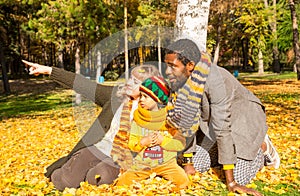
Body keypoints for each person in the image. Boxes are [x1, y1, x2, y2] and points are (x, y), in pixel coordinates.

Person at [163, 39, 280, 196]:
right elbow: (187, 121)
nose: (167, 71)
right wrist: (188, 161)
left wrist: (231, 183)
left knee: (240, 176)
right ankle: (226, 153)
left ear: (190, 65)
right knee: (196, 165)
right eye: (167, 65)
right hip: (211, 123)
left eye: (172, 66)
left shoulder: (216, 81)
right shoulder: (182, 81)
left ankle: (262, 146)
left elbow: (222, 128)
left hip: (243, 118)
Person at [22, 60, 160, 190]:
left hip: (123, 157)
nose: (129, 83)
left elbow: (170, 139)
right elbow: (84, 85)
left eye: (136, 81)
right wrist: (49, 71)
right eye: (130, 78)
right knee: (66, 181)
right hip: (99, 147)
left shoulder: (155, 111)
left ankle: (92, 172)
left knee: (99, 177)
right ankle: (69, 167)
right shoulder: (116, 96)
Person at [115, 76, 190, 191]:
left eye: (145, 97)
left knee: (183, 181)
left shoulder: (169, 119)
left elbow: (180, 144)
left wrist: (163, 141)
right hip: (142, 165)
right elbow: (131, 143)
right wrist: (142, 142)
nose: (141, 100)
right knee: (122, 183)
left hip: (167, 164)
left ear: (157, 99)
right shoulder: (138, 118)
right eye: (140, 96)